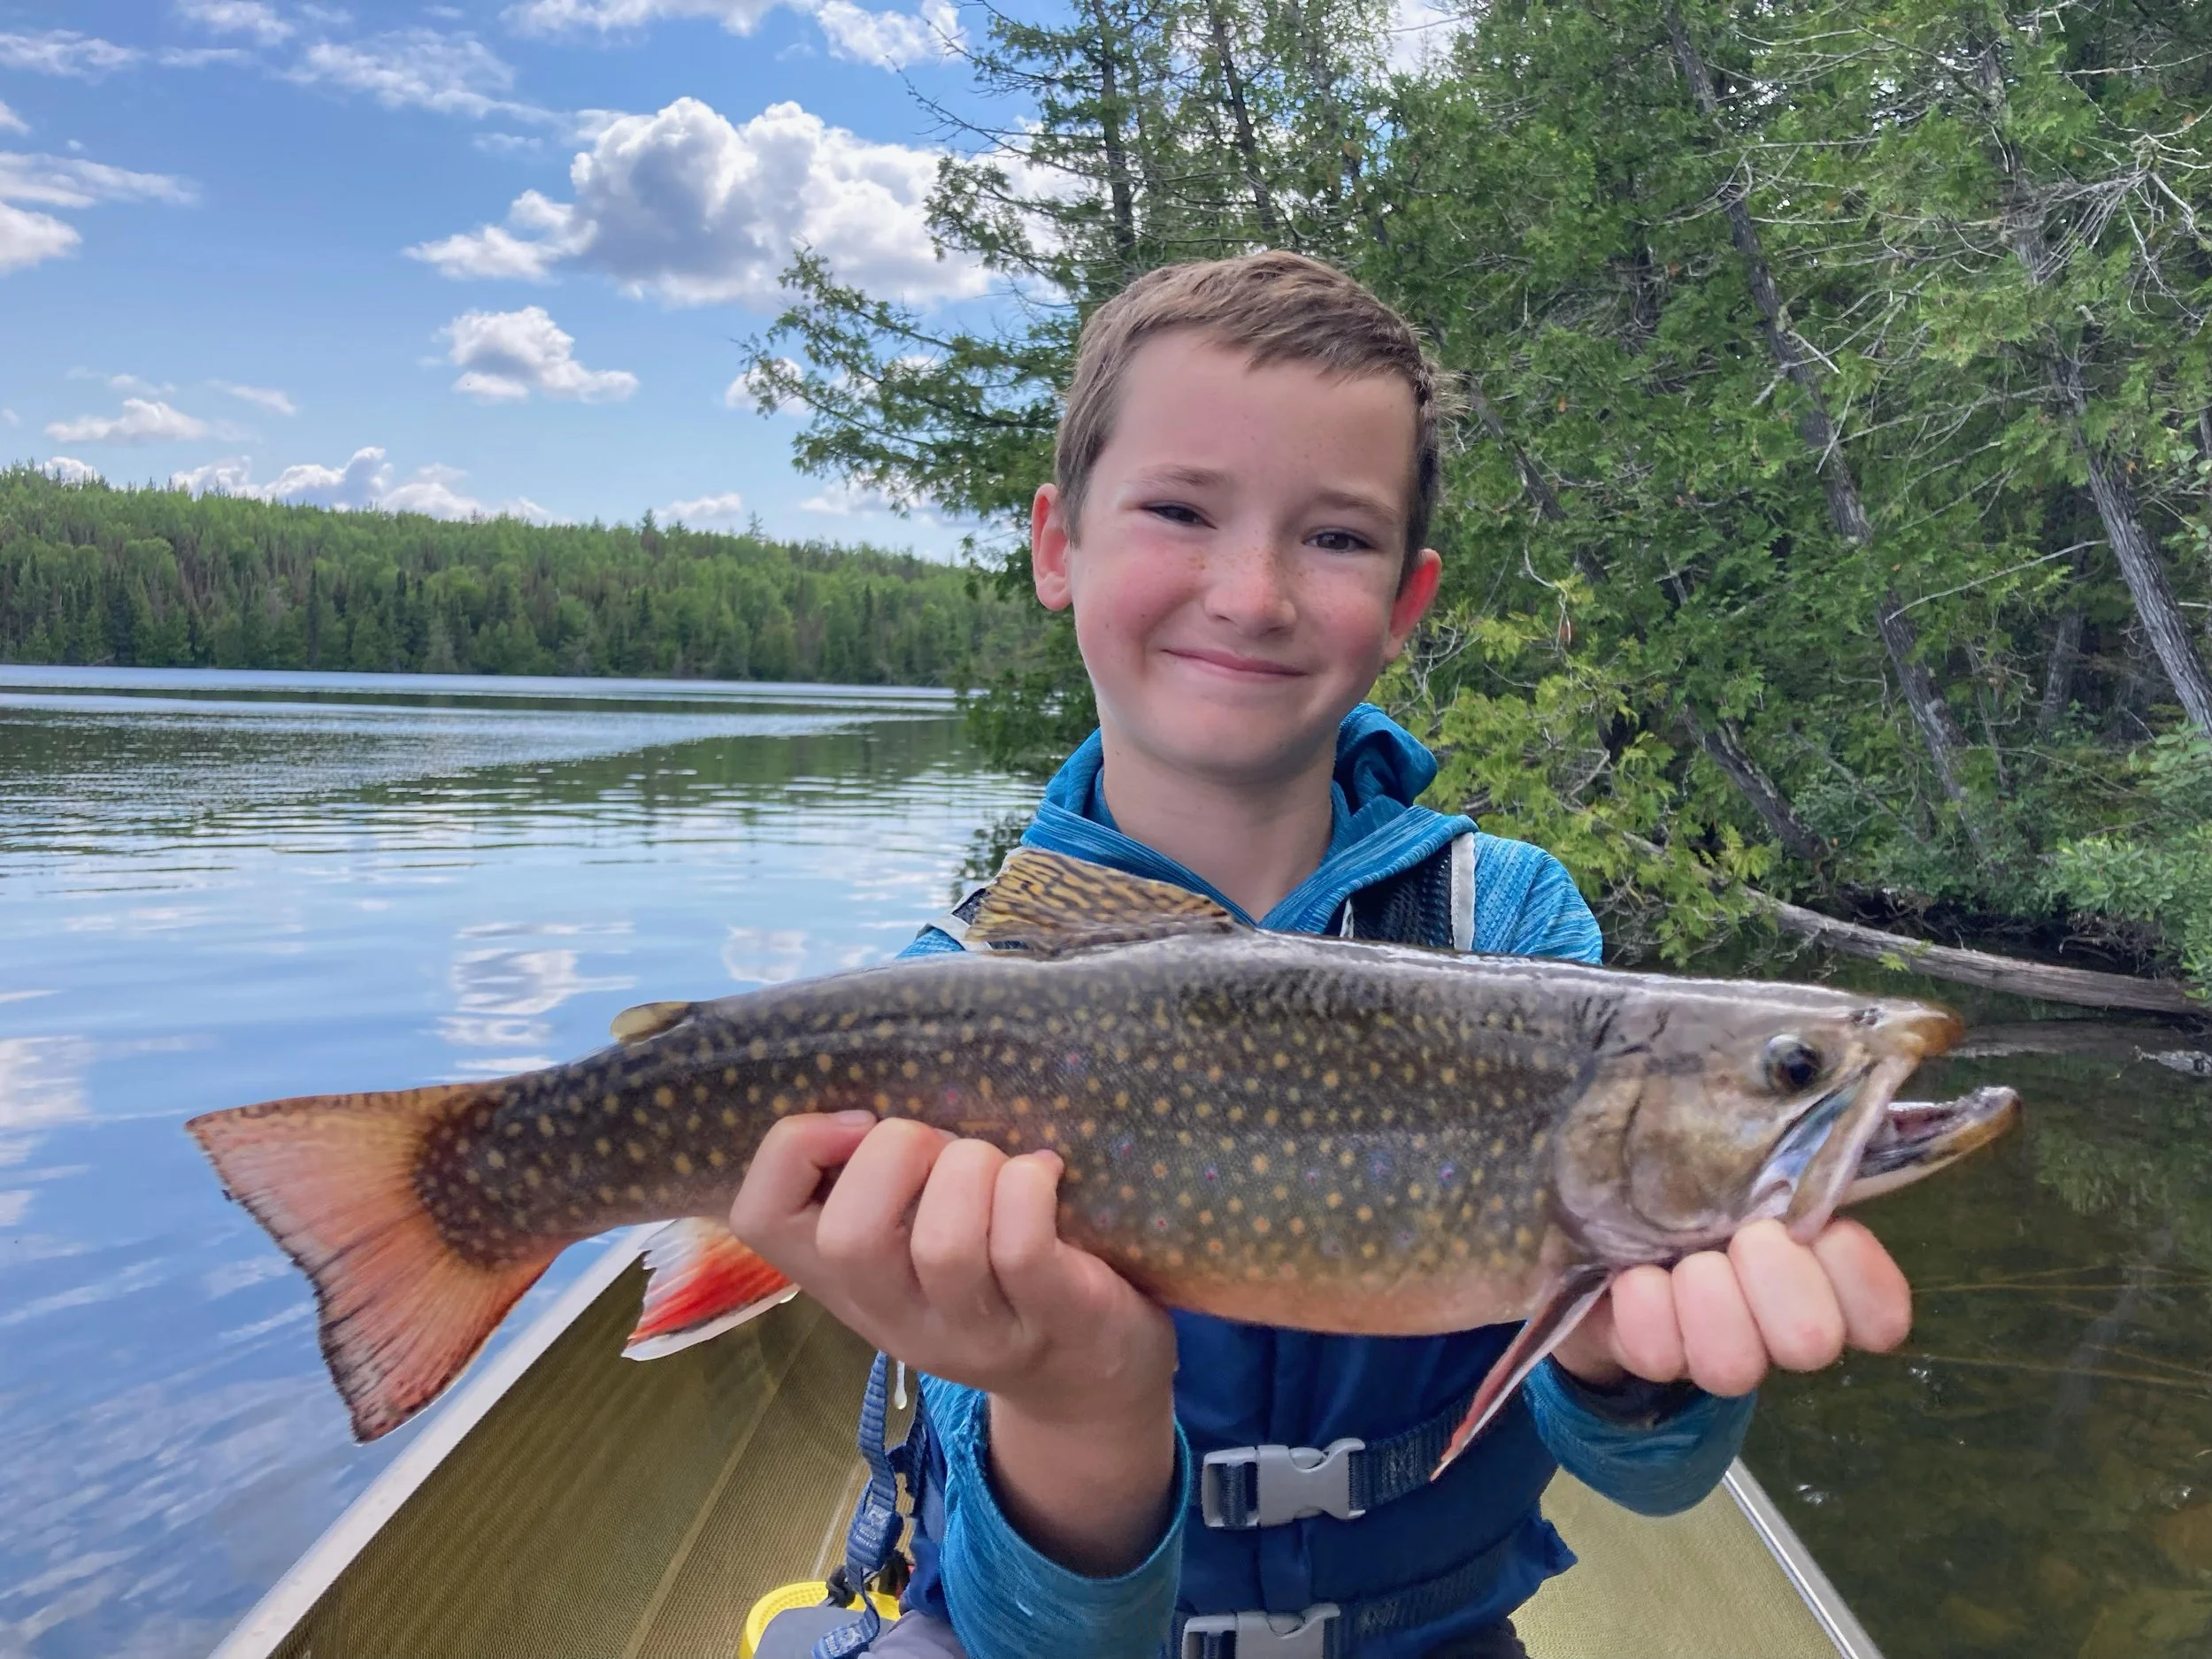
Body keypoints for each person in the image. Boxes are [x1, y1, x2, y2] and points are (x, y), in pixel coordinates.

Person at [730, 251, 1912, 1659]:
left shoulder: (1514, 928)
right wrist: (1075, 1404)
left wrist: (1615, 1353)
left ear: (1408, 603)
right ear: (1058, 546)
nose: (1253, 592)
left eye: (1335, 538)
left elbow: (1650, 1477)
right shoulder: (952, 1002)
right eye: (1179, 509)